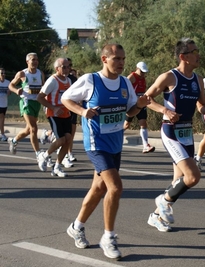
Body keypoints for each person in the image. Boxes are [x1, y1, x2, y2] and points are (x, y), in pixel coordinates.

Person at [61, 44, 149, 259]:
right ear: (104, 58)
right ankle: (108, 237)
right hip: (96, 143)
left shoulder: (125, 82)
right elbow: (66, 99)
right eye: (116, 58)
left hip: (115, 143)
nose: (120, 62)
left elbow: (130, 111)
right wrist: (83, 111)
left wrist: (139, 105)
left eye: (123, 58)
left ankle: (76, 226)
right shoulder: (91, 80)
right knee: (116, 187)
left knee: (98, 189)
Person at [144, 37, 205, 232]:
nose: (198, 54)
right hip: (171, 131)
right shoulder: (169, 77)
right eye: (194, 52)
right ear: (183, 56)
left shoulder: (198, 79)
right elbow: (146, 99)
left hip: (187, 132)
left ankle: (156, 216)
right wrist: (164, 111)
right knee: (193, 177)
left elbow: (200, 105)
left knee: (178, 181)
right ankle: (162, 201)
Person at [36, 58, 72, 177]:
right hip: (54, 114)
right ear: (57, 68)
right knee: (61, 140)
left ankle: (57, 166)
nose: (67, 69)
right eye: (65, 67)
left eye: (69, 66)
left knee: (68, 140)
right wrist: (53, 107)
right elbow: (40, 97)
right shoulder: (52, 81)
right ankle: (44, 155)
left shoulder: (68, 80)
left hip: (66, 114)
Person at [8, 52, 45, 157]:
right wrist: (16, 91)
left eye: (37, 60)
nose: (35, 62)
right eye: (33, 60)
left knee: (28, 129)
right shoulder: (22, 74)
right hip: (26, 102)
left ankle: (14, 140)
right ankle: (38, 154)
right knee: (34, 128)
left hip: (36, 103)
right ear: (27, 61)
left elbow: (44, 88)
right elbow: (11, 85)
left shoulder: (40, 73)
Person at [124, 61, 155, 153]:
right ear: (137, 69)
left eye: (144, 72)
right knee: (126, 125)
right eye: (142, 72)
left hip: (141, 104)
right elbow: (124, 89)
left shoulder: (143, 78)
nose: (143, 74)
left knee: (143, 122)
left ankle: (145, 145)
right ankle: (114, 138)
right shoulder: (131, 77)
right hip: (132, 104)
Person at [0, 67, 10, 141]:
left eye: (4, 73)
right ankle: (2, 134)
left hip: (4, 104)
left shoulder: (7, 82)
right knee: (1, 118)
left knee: (2, 119)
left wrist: (9, 92)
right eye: (1, 73)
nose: (3, 74)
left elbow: (9, 92)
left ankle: (2, 134)